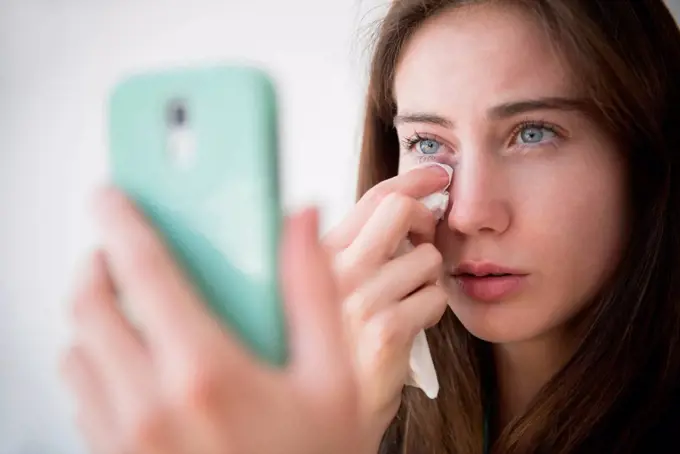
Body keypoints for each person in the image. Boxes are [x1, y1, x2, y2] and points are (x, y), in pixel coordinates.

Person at [60, 0, 680, 453]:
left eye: (532, 133)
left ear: (645, 151)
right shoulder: (371, 416)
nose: (467, 214)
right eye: (427, 141)